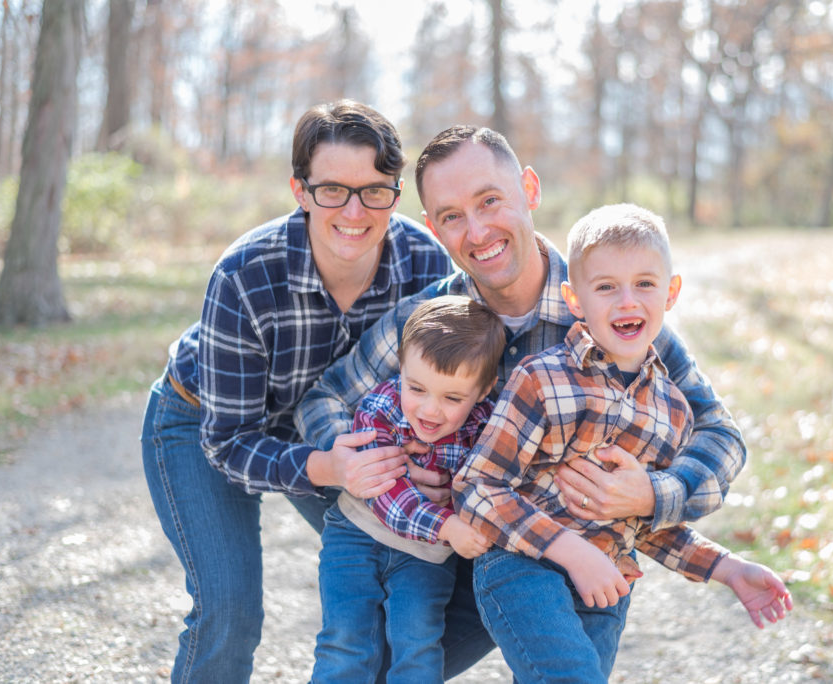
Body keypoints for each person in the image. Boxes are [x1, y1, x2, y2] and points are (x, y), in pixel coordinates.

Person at [295, 125, 749, 676]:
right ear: (434, 228)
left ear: (529, 191)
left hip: (573, 564)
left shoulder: (607, 307)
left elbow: (720, 435)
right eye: (452, 215)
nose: (478, 229)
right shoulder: (433, 323)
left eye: (490, 200)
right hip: (452, 549)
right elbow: (324, 399)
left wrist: (651, 492)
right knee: (375, 668)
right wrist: (365, 460)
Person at [139, 100, 454, 683]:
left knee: (418, 582)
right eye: (333, 189)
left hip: (336, 435)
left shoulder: (425, 265)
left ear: (395, 193)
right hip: (205, 424)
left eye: (375, 191)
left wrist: (424, 463)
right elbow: (229, 443)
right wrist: (329, 469)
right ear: (300, 190)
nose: (355, 211)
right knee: (229, 614)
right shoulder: (244, 275)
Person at [452, 203, 793, 681]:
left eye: (645, 284)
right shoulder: (542, 381)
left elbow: (642, 522)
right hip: (524, 569)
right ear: (575, 300)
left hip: (606, 590)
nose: (627, 301)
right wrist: (573, 551)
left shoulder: (672, 411)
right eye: (606, 287)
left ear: (671, 292)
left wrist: (727, 568)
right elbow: (476, 487)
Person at [312, 295, 503, 683]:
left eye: (452, 397)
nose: (430, 411)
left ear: (484, 391)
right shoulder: (380, 406)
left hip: (425, 557)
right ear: (401, 369)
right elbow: (384, 492)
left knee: (418, 648)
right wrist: (448, 526)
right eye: (416, 388)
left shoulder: (487, 428)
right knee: (346, 642)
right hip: (357, 535)